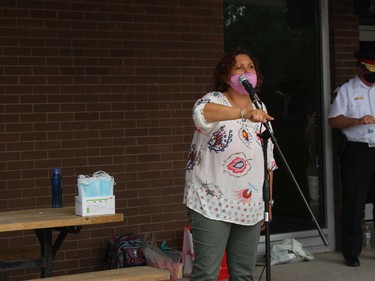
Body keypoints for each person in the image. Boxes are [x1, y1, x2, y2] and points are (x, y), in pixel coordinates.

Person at [183, 48, 277, 281]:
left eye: (251, 67)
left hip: (251, 205)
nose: (246, 71)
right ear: (226, 76)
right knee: (206, 273)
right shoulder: (212, 100)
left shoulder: (261, 108)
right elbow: (202, 112)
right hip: (211, 200)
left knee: (244, 274)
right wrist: (243, 113)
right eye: (239, 67)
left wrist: (269, 202)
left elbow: (269, 161)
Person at [328, 48, 375, 267]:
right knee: (354, 202)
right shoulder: (347, 90)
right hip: (358, 150)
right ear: (361, 67)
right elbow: (334, 120)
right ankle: (351, 252)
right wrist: (357, 121)